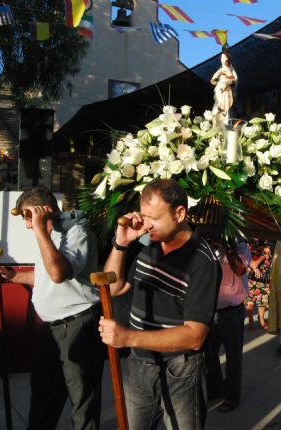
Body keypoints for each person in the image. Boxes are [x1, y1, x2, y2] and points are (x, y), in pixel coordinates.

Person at [98, 178, 221, 429]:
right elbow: (114, 287)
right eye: (144, 216)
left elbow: (194, 336)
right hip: (138, 365)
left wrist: (128, 338)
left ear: (179, 213)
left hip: (180, 369)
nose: (146, 224)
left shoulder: (202, 261)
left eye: (153, 217)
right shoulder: (148, 242)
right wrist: (120, 244)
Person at [0, 186, 104, 430]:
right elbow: (45, 276)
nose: (28, 226)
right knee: (43, 399)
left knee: (82, 403)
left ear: (46, 211)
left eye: (29, 218)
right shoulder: (49, 236)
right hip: (51, 329)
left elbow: (59, 273)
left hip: (77, 325)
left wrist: (41, 230)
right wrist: (13, 276)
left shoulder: (77, 230)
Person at [204, 239, 251, 413]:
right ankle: (216, 389)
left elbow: (240, 269)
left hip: (232, 310)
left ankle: (232, 397)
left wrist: (229, 248)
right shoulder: (206, 245)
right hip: (209, 309)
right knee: (208, 354)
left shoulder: (240, 246)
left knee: (233, 357)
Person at [246, 242, 272, 330]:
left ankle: (261, 319)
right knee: (250, 302)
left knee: (262, 302)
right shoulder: (248, 246)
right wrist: (262, 258)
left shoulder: (266, 245)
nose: (267, 255)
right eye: (265, 253)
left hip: (263, 279)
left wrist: (266, 256)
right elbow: (251, 263)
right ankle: (250, 320)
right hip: (250, 279)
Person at [211, 50, 238, 125]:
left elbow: (235, 79)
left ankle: (226, 123)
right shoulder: (220, 70)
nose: (223, 60)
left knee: (226, 111)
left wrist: (227, 81)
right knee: (216, 110)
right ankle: (216, 124)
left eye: (224, 58)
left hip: (227, 91)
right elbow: (212, 80)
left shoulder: (231, 69)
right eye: (222, 58)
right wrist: (218, 78)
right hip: (219, 90)